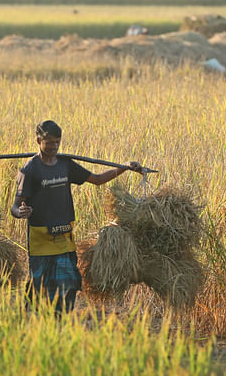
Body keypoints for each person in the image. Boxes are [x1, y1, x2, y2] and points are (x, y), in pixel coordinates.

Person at [11, 120, 142, 314]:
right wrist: (20, 212)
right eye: (49, 142)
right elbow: (15, 206)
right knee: (39, 287)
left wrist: (124, 167)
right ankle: (30, 319)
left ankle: (59, 322)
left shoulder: (65, 165)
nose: (54, 146)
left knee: (69, 284)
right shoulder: (30, 170)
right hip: (41, 240)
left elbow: (97, 180)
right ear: (38, 140)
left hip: (64, 236)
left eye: (58, 142)